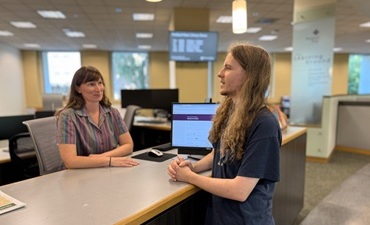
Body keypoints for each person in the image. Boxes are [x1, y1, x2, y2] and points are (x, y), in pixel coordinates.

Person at [168, 43, 282, 224]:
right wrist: (192, 167)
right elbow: (219, 153)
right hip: (221, 217)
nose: (220, 73)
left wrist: (190, 177)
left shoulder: (265, 124)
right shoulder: (230, 111)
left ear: (249, 76)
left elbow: (240, 190)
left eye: (228, 68)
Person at [56, 66, 139, 169]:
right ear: (78, 89)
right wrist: (109, 161)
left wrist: (102, 157)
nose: (98, 89)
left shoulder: (113, 113)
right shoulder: (68, 116)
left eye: (100, 83)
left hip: (108, 171)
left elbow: (128, 145)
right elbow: (70, 161)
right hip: (79, 175)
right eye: (91, 84)